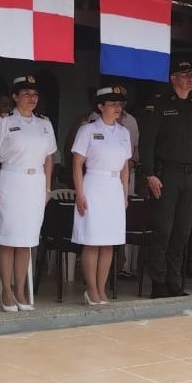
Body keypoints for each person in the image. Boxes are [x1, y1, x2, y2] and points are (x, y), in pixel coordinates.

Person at [0, 76, 57, 312]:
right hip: (11, 181)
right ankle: (6, 290)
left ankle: (21, 290)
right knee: (9, 240)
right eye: (26, 94)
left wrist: (47, 187)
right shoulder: (3, 122)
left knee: (27, 241)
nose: (32, 99)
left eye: (34, 94)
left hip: (35, 183)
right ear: (15, 97)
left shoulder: (44, 124)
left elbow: (49, 157)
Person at [139, 62, 192, 298]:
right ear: (172, 78)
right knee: (163, 230)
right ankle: (159, 283)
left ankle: (175, 283)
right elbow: (148, 141)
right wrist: (149, 173)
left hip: (190, 176)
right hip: (166, 175)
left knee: (182, 232)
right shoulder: (159, 104)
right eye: (184, 75)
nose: (190, 79)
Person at [71, 86, 132, 305]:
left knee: (108, 242)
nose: (118, 108)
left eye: (120, 104)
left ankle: (101, 288)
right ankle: (91, 289)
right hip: (94, 185)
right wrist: (80, 193)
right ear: (101, 106)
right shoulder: (87, 130)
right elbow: (77, 163)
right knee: (92, 240)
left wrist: (124, 194)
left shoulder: (124, 133)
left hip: (113, 187)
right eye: (113, 104)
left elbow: (126, 167)